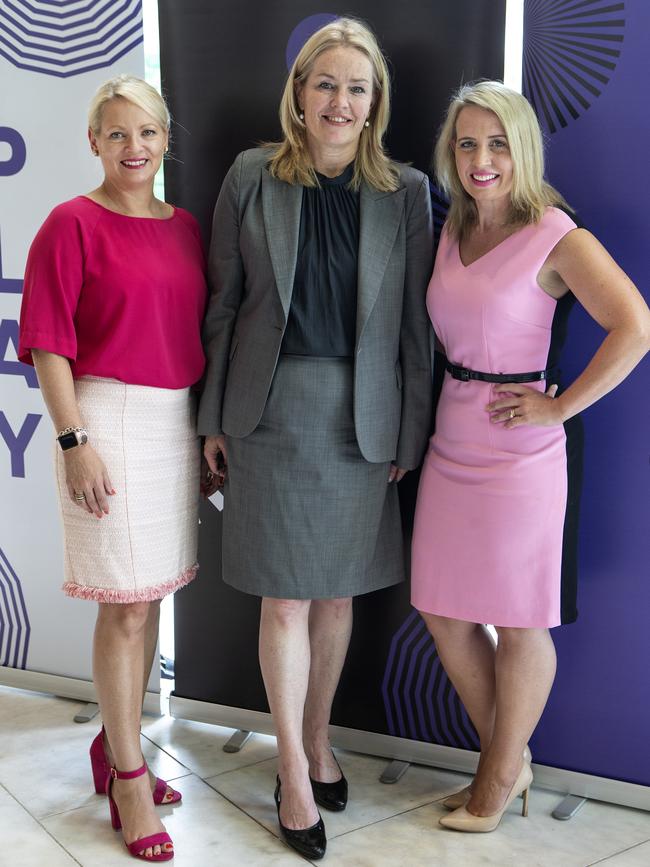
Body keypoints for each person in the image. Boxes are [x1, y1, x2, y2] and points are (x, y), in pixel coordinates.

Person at [199, 17, 433, 860]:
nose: (340, 101)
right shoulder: (251, 177)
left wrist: (410, 427)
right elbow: (221, 308)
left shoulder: (405, 191)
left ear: (376, 104)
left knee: (338, 595)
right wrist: (212, 419)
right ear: (298, 92)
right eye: (325, 83)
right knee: (286, 597)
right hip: (267, 413)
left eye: (356, 87)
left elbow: (414, 327)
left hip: (364, 418)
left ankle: (322, 737)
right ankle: (293, 772)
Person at [411, 80, 650, 833]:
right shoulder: (451, 230)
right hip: (451, 434)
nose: (482, 159)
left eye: (498, 143)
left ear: (524, 148)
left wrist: (560, 404)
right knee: (441, 607)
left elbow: (635, 326)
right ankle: (506, 757)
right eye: (468, 143)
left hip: (522, 449)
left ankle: (499, 772)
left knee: (519, 621)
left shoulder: (555, 233)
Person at [19, 75, 210, 861]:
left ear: (168, 141)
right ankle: (129, 775)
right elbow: (46, 341)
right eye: (118, 132)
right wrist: (74, 440)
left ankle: (115, 742)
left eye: (148, 132)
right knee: (124, 606)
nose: (135, 147)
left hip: (173, 421)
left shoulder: (187, 226)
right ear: (93, 141)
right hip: (103, 419)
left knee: (152, 591)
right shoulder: (69, 224)